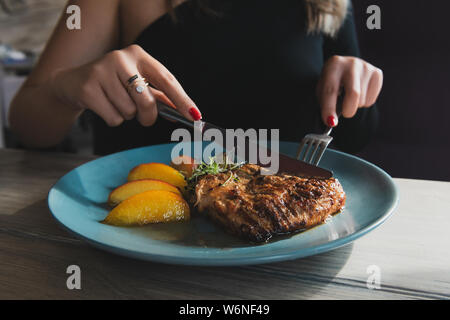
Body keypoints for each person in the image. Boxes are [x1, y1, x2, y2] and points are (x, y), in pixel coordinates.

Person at [9, 0, 383, 155]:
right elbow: (27, 124)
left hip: (300, 247)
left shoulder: (324, 3)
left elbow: (357, 137)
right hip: (142, 254)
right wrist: (66, 89)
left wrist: (355, 90)